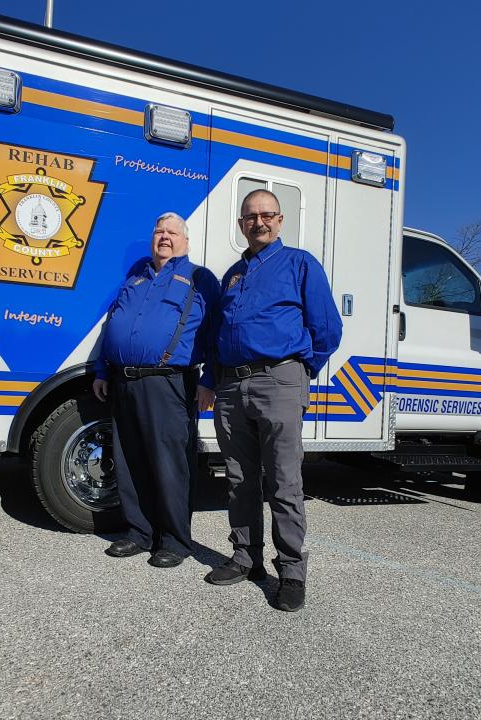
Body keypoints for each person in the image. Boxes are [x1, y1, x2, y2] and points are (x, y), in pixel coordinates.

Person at [206, 189, 341, 612]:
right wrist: (213, 379)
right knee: (239, 478)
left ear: (280, 220)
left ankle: (292, 572)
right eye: (250, 216)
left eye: (266, 215)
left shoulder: (300, 264)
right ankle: (247, 558)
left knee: (283, 482)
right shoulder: (232, 274)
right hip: (231, 386)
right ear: (241, 223)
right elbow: (217, 336)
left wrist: (298, 371)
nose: (258, 222)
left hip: (279, 380)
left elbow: (327, 329)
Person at [93, 212, 219, 568]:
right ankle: (139, 532)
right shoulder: (135, 278)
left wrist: (210, 380)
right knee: (131, 460)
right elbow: (111, 326)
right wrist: (103, 371)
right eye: (159, 231)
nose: (164, 237)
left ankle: (175, 540)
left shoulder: (199, 278)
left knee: (170, 464)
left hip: (169, 382)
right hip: (124, 380)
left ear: (185, 240)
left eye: (172, 232)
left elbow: (216, 332)